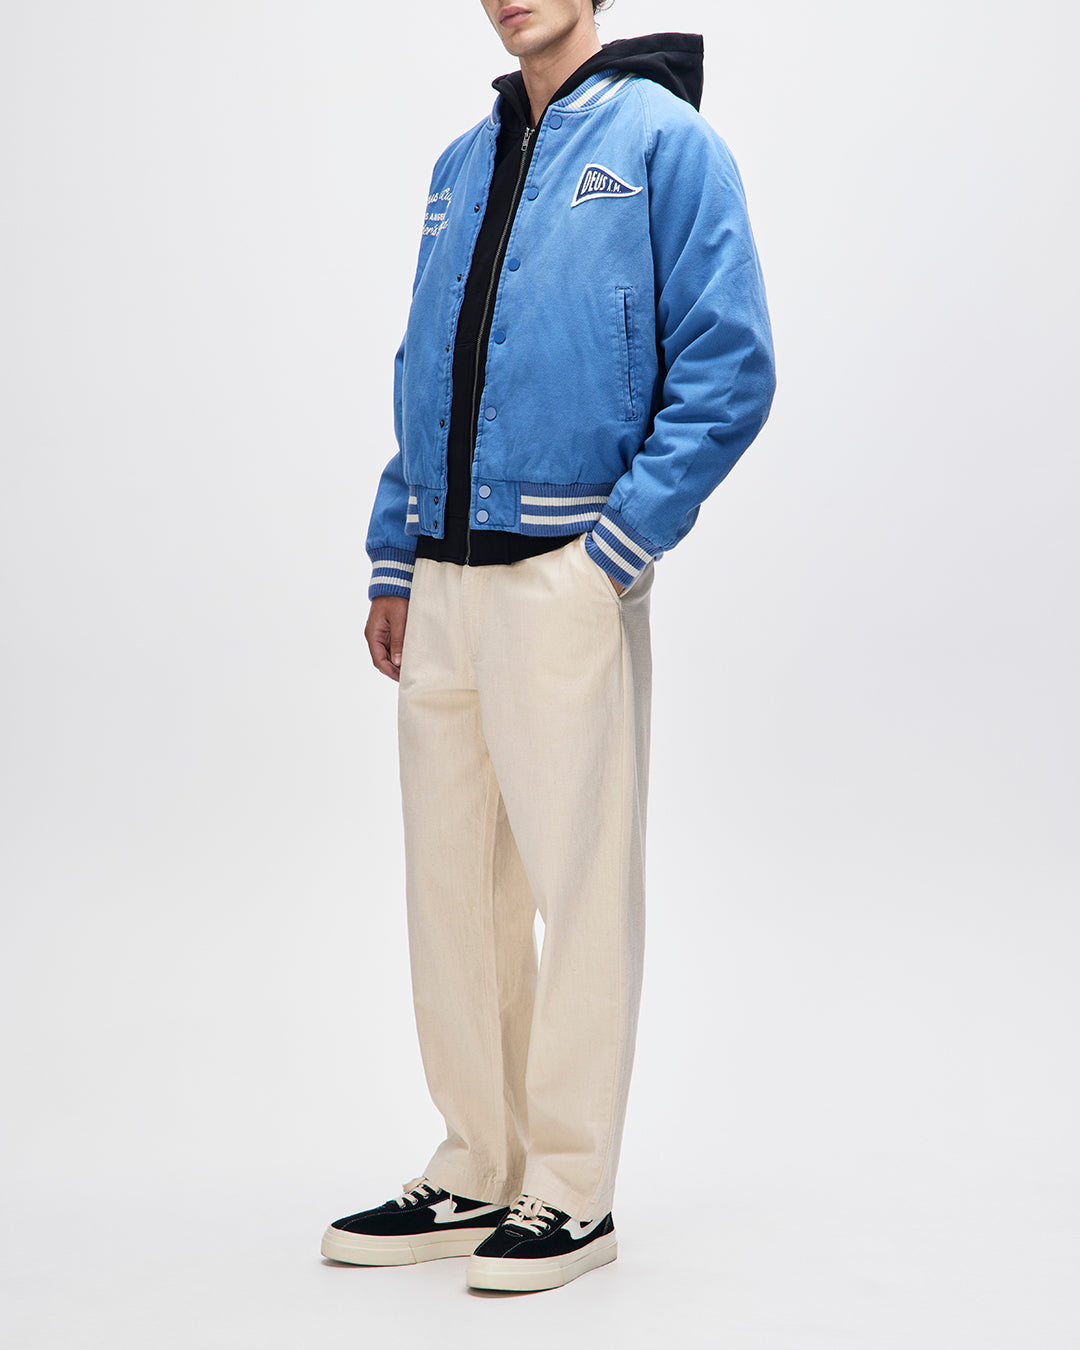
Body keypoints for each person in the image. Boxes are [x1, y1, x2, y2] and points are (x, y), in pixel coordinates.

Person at [320, 0, 776, 1293]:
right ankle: (479, 1159)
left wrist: (616, 550)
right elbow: (429, 367)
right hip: (445, 582)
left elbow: (731, 364)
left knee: (579, 892)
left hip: (567, 575)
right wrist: (396, 550)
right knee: (452, 892)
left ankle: (572, 1189)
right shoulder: (459, 166)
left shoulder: (665, 145)